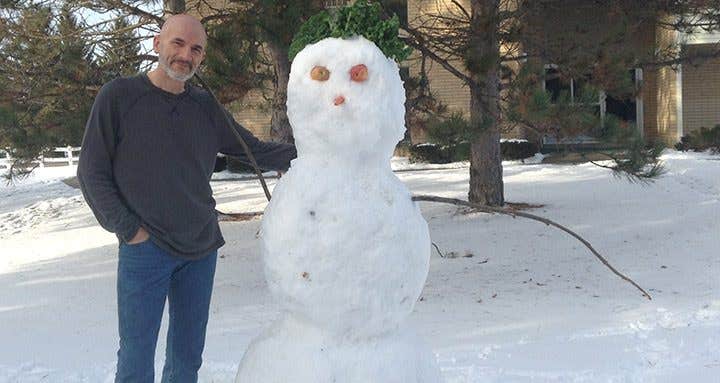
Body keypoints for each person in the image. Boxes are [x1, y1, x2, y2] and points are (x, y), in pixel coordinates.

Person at [77, 14, 296, 383]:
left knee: (186, 357)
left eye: (196, 49)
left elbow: (252, 150)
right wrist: (130, 230)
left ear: (202, 58)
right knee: (135, 357)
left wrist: (320, 149)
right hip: (145, 250)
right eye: (178, 43)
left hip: (200, 249)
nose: (186, 55)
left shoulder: (204, 106)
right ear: (157, 44)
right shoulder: (119, 96)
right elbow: (92, 173)